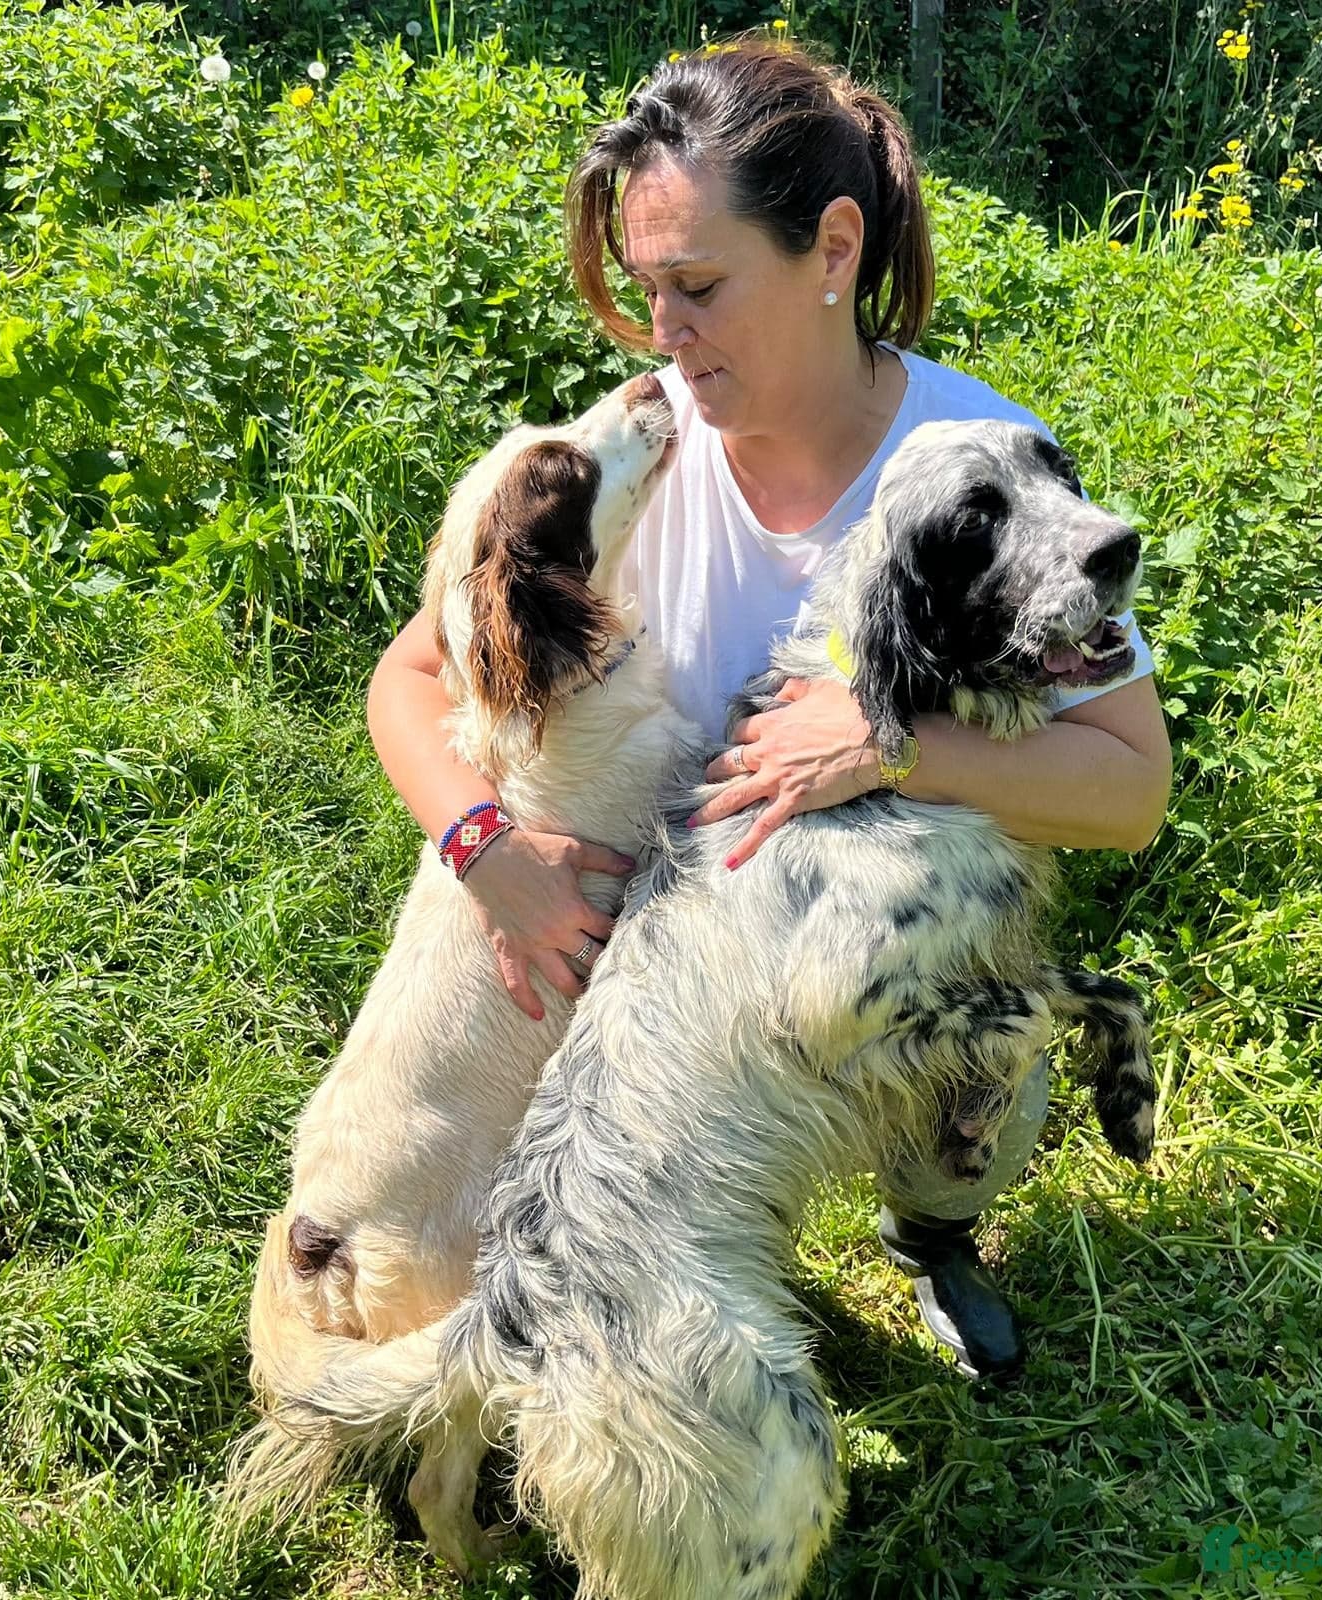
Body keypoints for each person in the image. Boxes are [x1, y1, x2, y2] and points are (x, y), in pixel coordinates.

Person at [366, 37, 1172, 1383]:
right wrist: (487, 854)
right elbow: (411, 676)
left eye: (697, 289)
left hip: (851, 966)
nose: (660, 338)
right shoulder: (640, 453)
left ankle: (930, 1238)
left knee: (987, 1068)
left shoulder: (979, 475)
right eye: (645, 291)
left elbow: (1130, 784)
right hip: (650, 968)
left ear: (833, 249)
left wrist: (893, 745)